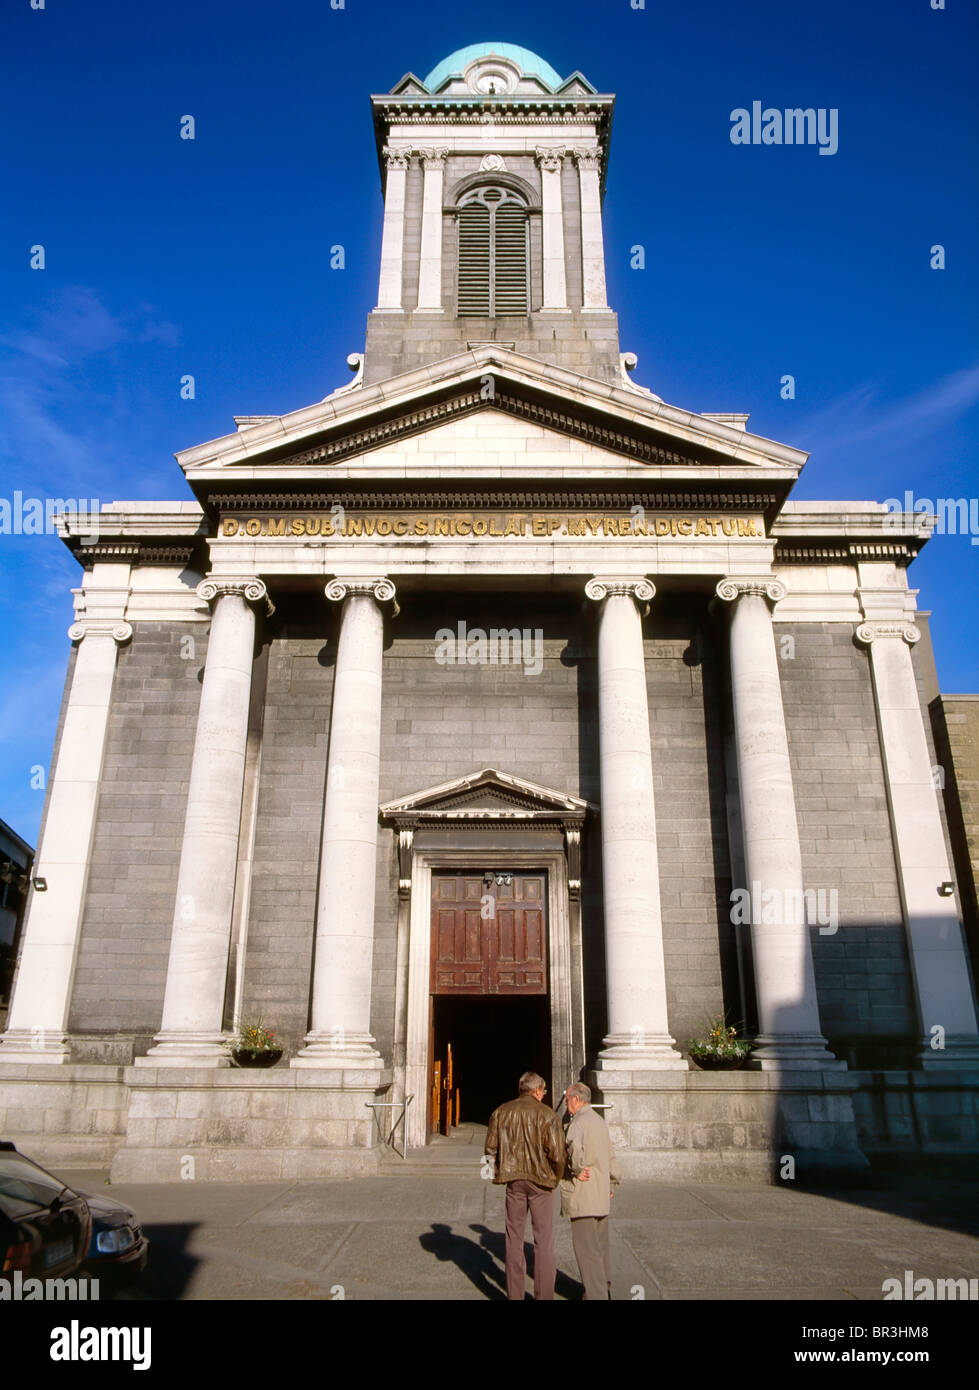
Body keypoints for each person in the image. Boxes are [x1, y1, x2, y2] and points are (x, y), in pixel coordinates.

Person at [485, 1071, 566, 1300]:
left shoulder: (501, 1112)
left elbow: (489, 1149)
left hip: (514, 1183)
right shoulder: (548, 1115)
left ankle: (515, 1295)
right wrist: (555, 1178)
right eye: (544, 1091)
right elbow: (558, 1156)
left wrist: (494, 1173)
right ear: (537, 1090)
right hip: (541, 1183)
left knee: (513, 1239)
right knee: (543, 1242)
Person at [560, 1081, 618, 1300]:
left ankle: (596, 1295)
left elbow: (574, 1150)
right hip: (601, 1192)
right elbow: (610, 1155)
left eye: (567, 1100)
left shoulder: (579, 1123)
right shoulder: (599, 1121)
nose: (566, 1105)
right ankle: (604, 1288)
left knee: (587, 1250)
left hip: (583, 1193)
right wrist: (612, 1182)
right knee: (601, 1246)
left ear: (577, 1099)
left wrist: (576, 1169)